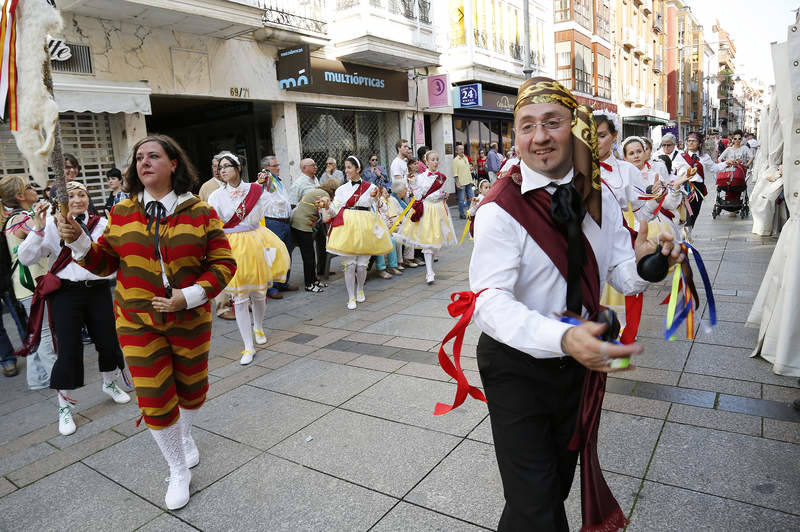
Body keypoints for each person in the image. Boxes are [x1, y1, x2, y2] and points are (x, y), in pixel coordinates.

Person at [463, 77, 683, 532]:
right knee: (536, 502)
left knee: (551, 489)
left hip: (576, 368)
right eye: (526, 126)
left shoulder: (595, 195)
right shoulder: (498, 209)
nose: (539, 136)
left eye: (552, 122)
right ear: (516, 139)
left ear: (574, 128)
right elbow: (487, 301)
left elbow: (620, 271)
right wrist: (562, 335)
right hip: (516, 367)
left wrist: (653, 265)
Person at [57, 134, 237, 511]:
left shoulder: (201, 212)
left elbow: (224, 264)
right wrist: (79, 243)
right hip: (136, 320)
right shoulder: (121, 213)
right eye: (139, 157)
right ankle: (176, 468)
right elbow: (105, 262)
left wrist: (188, 296)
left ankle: (185, 437)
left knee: (191, 391)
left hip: (189, 320)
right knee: (155, 398)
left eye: (154, 156)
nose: (144, 162)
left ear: (174, 164)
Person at [18, 181, 130, 436]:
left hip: (98, 290)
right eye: (71, 195)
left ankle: (109, 384)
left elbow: (110, 258)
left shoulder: (100, 224)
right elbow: (26, 258)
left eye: (82, 194)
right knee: (68, 348)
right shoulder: (49, 224)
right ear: (60, 201)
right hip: (65, 293)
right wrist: (36, 228)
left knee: (108, 342)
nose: (78, 199)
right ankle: (64, 406)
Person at [208, 153, 289, 364]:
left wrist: (270, 185)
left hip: (255, 241)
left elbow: (279, 205)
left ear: (238, 168)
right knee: (240, 298)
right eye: (220, 167)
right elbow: (213, 223)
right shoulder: (216, 196)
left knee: (259, 293)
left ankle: (259, 327)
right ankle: (247, 346)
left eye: (227, 166)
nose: (222, 170)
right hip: (232, 245)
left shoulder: (255, 189)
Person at [0, 176, 57, 389]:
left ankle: (37, 379)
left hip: (30, 286)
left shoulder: (21, 216)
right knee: (43, 333)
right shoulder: (21, 219)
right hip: (31, 285)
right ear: (20, 196)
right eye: (30, 186)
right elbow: (49, 232)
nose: (35, 189)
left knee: (38, 331)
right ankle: (56, 378)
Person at [319, 155, 393, 309]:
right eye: (345, 167)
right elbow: (334, 211)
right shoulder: (341, 189)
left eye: (349, 167)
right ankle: (350, 297)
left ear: (358, 169)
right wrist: (326, 206)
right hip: (347, 226)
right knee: (350, 264)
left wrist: (376, 198)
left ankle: (360, 289)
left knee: (362, 265)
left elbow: (381, 207)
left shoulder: (371, 187)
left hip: (366, 225)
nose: (346, 171)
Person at [395, 150, 457, 284]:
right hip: (427, 210)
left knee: (436, 245)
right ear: (426, 162)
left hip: (438, 209)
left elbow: (442, 193)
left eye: (437, 159)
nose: (435, 162)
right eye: (432, 160)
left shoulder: (442, 177)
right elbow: (418, 196)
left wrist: (444, 195)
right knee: (428, 243)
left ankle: (431, 268)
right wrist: (413, 185)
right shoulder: (420, 177)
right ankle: (429, 271)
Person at [257, 155, 298, 299]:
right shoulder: (265, 181)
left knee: (286, 253)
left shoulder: (279, 181)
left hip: (285, 221)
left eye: (277, 165)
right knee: (273, 255)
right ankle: (272, 287)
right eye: (275, 166)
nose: (278, 167)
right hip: (273, 222)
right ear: (267, 168)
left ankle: (283, 282)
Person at [291, 178, 339, 292]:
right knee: (309, 256)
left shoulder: (318, 192)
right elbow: (325, 218)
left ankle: (314, 281)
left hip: (300, 223)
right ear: (333, 190)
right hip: (302, 225)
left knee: (310, 255)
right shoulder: (324, 195)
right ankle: (309, 284)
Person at [673, 131, 715, 238]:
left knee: (694, 213)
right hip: (685, 187)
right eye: (689, 141)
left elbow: (714, 168)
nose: (690, 143)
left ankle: (687, 233)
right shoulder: (680, 156)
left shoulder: (704, 157)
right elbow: (673, 170)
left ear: (699, 143)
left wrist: (726, 164)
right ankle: (687, 238)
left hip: (698, 189)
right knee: (687, 214)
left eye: (693, 141)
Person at [374, 186, 404, 279]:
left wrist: (387, 223)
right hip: (373, 233)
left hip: (383, 230)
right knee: (380, 241)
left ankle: (392, 266)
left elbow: (385, 215)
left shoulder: (380, 204)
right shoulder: (369, 206)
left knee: (392, 240)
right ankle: (381, 269)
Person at [453, 143, 474, 219]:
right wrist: (457, 183)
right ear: (457, 151)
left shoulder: (465, 158)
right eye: (460, 149)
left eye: (463, 149)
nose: (462, 151)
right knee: (461, 200)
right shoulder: (455, 160)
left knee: (471, 198)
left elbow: (468, 169)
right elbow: (455, 173)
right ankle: (462, 214)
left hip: (468, 181)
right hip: (461, 182)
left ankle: (470, 212)